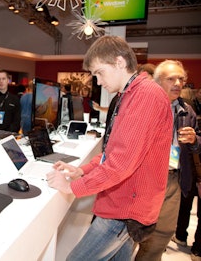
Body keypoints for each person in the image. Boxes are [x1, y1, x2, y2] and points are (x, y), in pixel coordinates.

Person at [46, 36, 173, 261]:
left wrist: (72, 186)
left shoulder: (145, 96)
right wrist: (83, 171)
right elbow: (113, 152)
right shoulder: (130, 95)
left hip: (125, 209)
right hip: (122, 203)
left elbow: (120, 164)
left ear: (119, 63)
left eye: (99, 72)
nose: (98, 81)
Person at [135, 60, 201, 261]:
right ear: (157, 82)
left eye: (181, 79)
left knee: (163, 233)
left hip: (173, 179)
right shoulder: (143, 106)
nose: (178, 83)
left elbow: (198, 140)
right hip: (145, 178)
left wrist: (194, 139)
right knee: (133, 231)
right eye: (171, 78)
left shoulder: (186, 110)